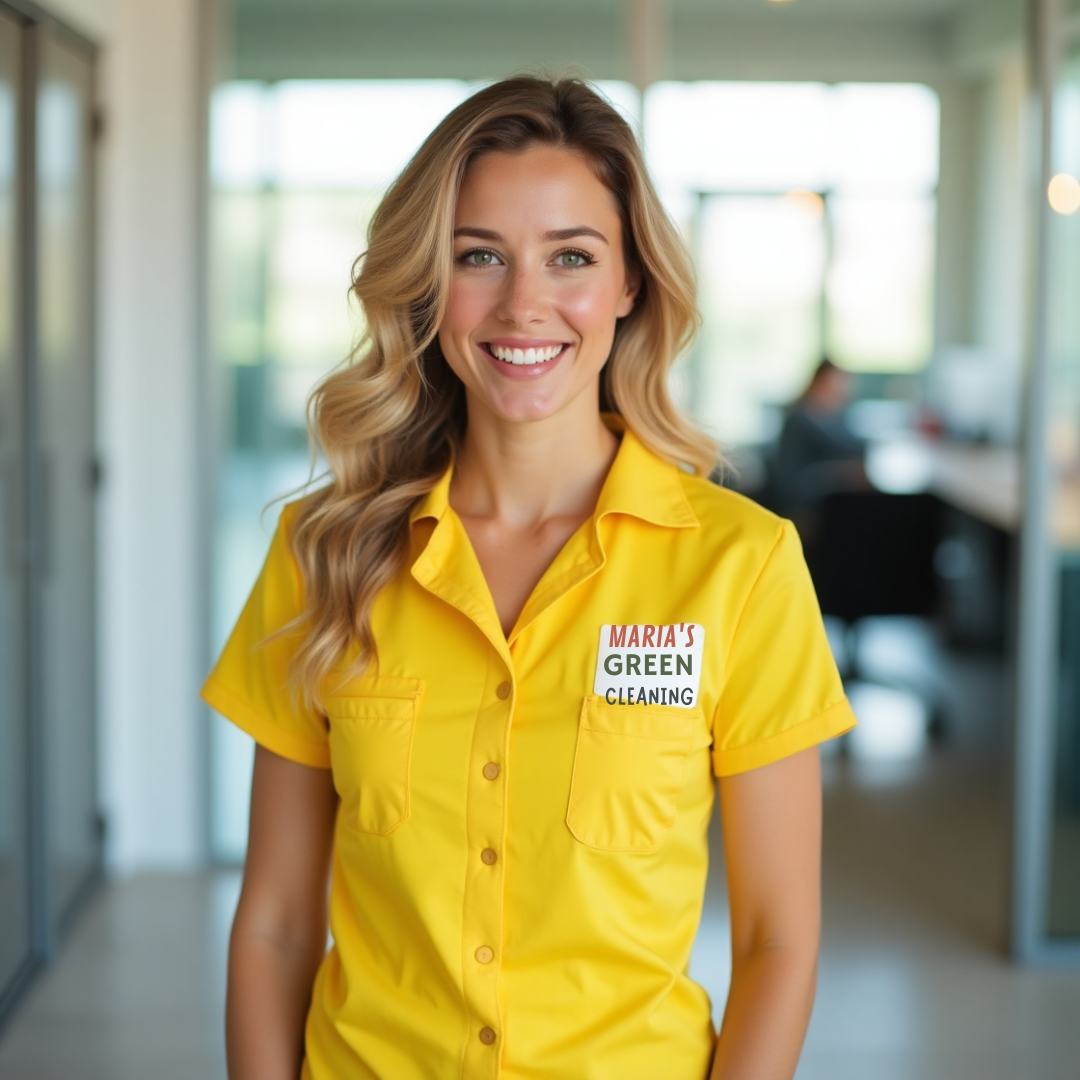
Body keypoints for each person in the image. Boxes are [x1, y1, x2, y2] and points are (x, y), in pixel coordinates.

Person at [202, 77, 856, 1080]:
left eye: (572, 258)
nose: (523, 304)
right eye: (479, 257)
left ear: (631, 283)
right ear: (428, 281)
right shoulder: (324, 552)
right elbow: (279, 925)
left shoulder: (740, 565)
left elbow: (779, 941)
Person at [770, 358, 866, 528]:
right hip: (808, 510)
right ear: (818, 383)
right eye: (831, 387)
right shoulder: (799, 421)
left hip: (838, 505)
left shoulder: (837, 419)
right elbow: (788, 481)